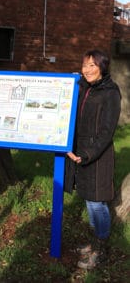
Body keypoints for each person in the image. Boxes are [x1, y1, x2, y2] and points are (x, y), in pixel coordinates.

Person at [64, 49, 121, 269]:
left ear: (102, 68)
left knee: (97, 204)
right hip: (79, 154)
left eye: (92, 66)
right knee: (89, 200)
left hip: (97, 157)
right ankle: (94, 239)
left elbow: (107, 131)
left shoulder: (110, 92)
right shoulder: (83, 87)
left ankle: (101, 249)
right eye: (85, 65)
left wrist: (87, 154)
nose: (86, 70)